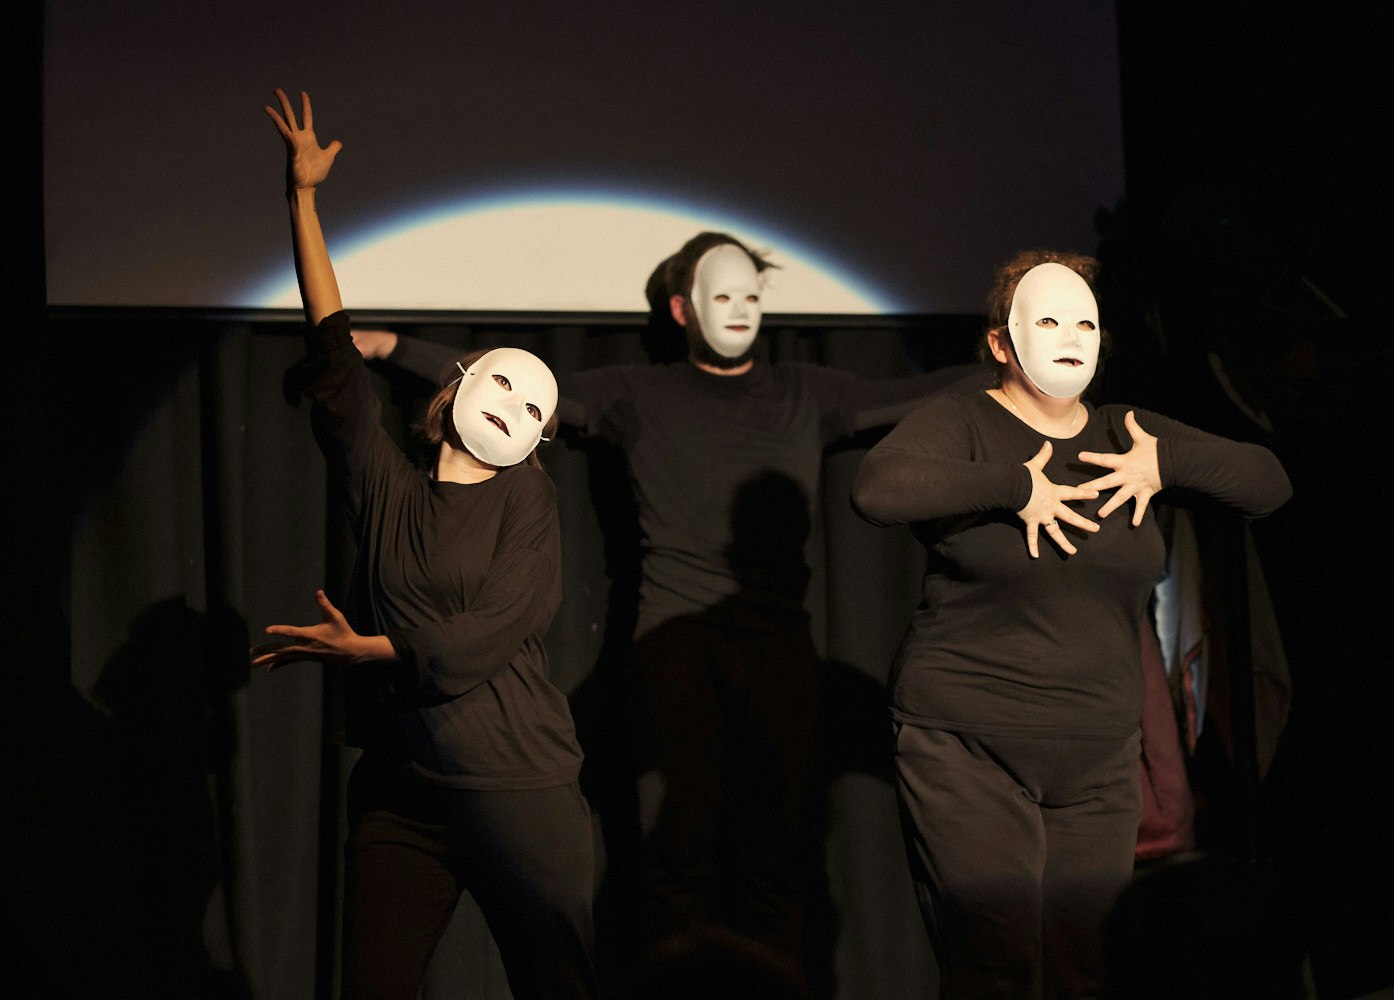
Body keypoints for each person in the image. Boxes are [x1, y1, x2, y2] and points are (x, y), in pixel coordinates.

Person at [354, 234, 978, 982]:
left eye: (752, 298)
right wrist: (392, 345)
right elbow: (517, 391)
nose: (741, 312)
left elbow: (914, 395)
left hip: (778, 649)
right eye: (723, 297)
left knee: (775, 855)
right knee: (670, 856)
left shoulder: (808, 393)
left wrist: (1021, 373)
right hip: (670, 651)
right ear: (683, 309)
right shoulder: (639, 395)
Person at [850, 250, 1292, 1000]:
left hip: (1098, 760)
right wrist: (1014, 484)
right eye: (1048, 319)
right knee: (998, 961)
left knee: (1086, 969)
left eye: (1085, 321)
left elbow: (1269, 484)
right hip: (968, 745)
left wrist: (1167, 465)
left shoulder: (1130, 434)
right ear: (1002, 343)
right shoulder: (965, 419)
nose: (1070, 335)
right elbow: (878, 487)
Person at [252, 89, 598, 1000]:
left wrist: (373, 649)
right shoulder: (384, 483)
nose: (516, 409)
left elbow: (501, 623)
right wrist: (303, 200)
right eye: (503, 388)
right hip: (405, 792)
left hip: (518, 786)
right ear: (451, 391)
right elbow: (333, 347)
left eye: (537, 410)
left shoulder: (529, 500)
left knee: (556, 982)